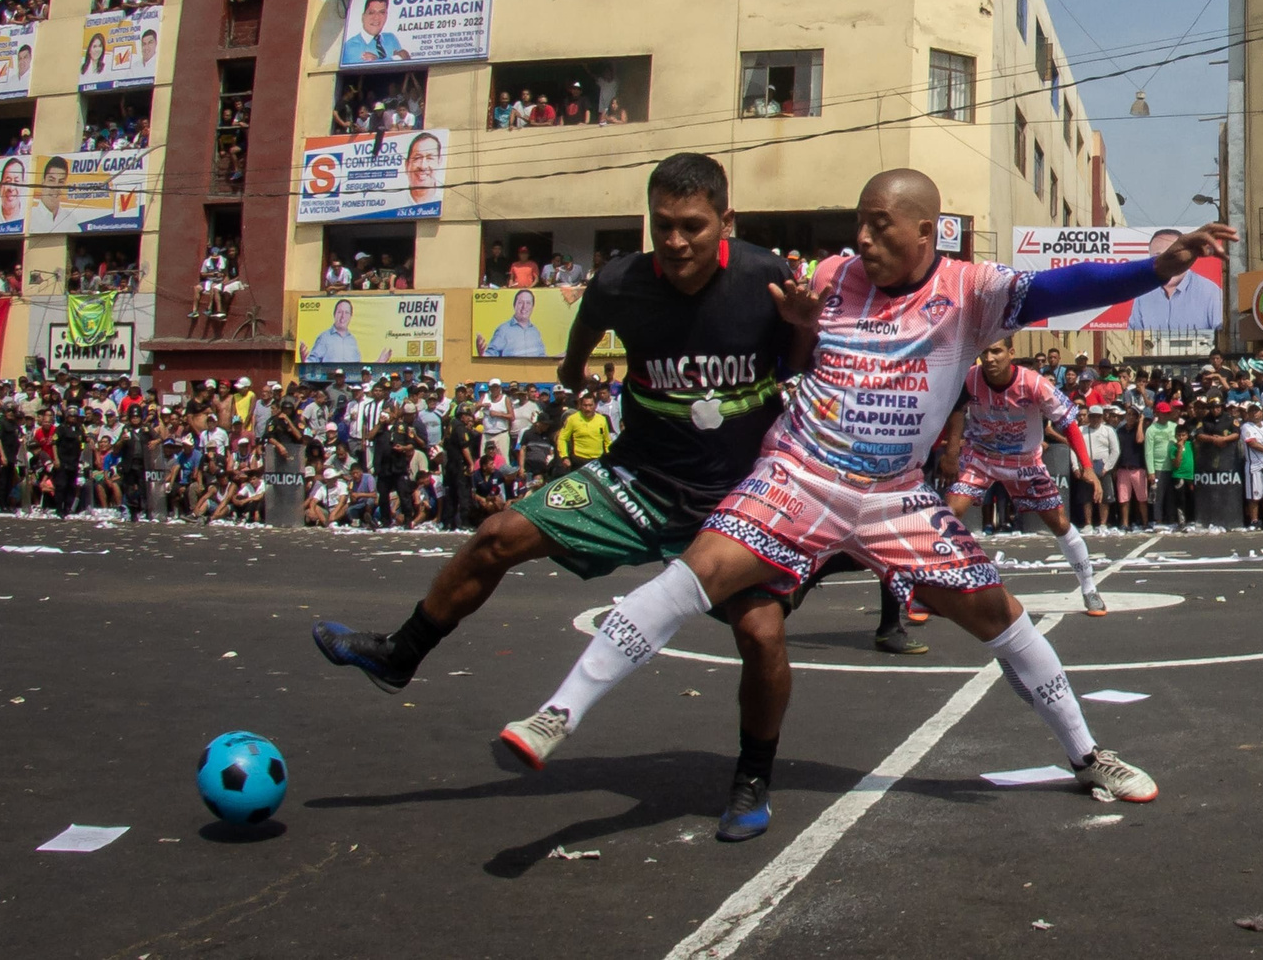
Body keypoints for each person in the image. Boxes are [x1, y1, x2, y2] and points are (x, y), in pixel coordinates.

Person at [495, 166, 1235, 820]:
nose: (862, 239)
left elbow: (1062, 287)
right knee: (696, 574)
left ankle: (1085, 755)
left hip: (894, 494)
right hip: (801, 471)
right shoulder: (831, 275)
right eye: (858, 224)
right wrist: (798, 332)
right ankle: (558, 713)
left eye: (879, 227)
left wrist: (1153, 265)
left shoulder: (971, 291)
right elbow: (785, 355)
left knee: (1003, 619)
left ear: (925, 232)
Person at [314, 154, 870, 846]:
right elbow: (573, 363)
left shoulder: (765, 277)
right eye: (661, 225)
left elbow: (807, 366)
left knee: (761, 634)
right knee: (497, 535)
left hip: (741, 498)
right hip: (638, 479)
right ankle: (401, 651)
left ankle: (752, 776)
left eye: (693, 226)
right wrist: (591, 374)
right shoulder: (617, 283)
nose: (676, 242)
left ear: (725, 220)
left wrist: (803, 327)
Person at [937, 338, 1107, 614]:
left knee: (1060, 523)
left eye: (996, 351)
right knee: (945, 517)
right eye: (985, 352)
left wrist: (1087, 467)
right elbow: (957, 410)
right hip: (981, 457)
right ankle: (927, 591)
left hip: (1025, 462)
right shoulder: (971, 377)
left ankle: (1089, 588)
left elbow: (1069, 423)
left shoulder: (1035, 383)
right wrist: (951, 453)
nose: (989, 358)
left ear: (1011, 353)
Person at [1127, 229, 1224, 330]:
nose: (1167, 262)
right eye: (1158, 257)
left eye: (1174, 255)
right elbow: (1133, 335)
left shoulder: (1211, 294)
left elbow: (1225, 338)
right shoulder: (1143, 294)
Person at [342, 0, 413, 66]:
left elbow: (403, 63)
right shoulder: (351, 45)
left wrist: (377, 60)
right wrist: (396, 58)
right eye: (371, 12)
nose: (376, 18)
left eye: (382, 12)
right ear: (363, 17)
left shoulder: (390, 38)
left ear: (386, 16)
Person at [481, 286, 549, 358]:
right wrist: (482, 354)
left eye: (528, 303)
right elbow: (491, 354)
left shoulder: (535, 331)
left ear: (532, 307)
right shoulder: (503, 330)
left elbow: (542, 357)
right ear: (514, 305)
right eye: (520, 303)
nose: (524, 306)